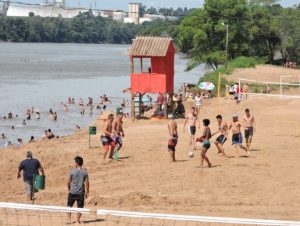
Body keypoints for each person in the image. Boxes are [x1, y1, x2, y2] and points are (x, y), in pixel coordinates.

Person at [67, 156, 89, 225]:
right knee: (80, 207)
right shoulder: (85, 172)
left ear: (76, 163)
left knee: (69, 206)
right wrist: (87, 192)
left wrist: (69, 188)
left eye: (75, 162)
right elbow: (87, 183)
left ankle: (69, 220)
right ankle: (77, 220)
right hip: (81, 192)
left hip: (72, 192)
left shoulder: (72, 171)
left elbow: (68, 182)